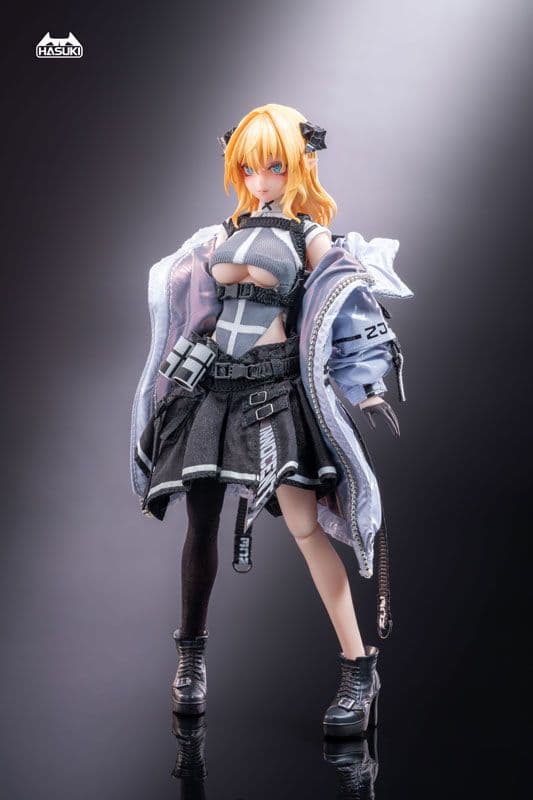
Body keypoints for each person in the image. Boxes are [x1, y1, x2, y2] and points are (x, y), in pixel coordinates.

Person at [130, 103, 413, 737]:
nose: (261, 180)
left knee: (307, 529)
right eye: (250, 168)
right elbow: (194, 303)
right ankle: (191, 660)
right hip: (212, 387)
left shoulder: (310, 237)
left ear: (298, 166)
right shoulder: (223, 233)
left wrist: (367, 386)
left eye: (274, 167)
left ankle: (359, 667)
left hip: (271, 392)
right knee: (200, 524)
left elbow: (344, 308)